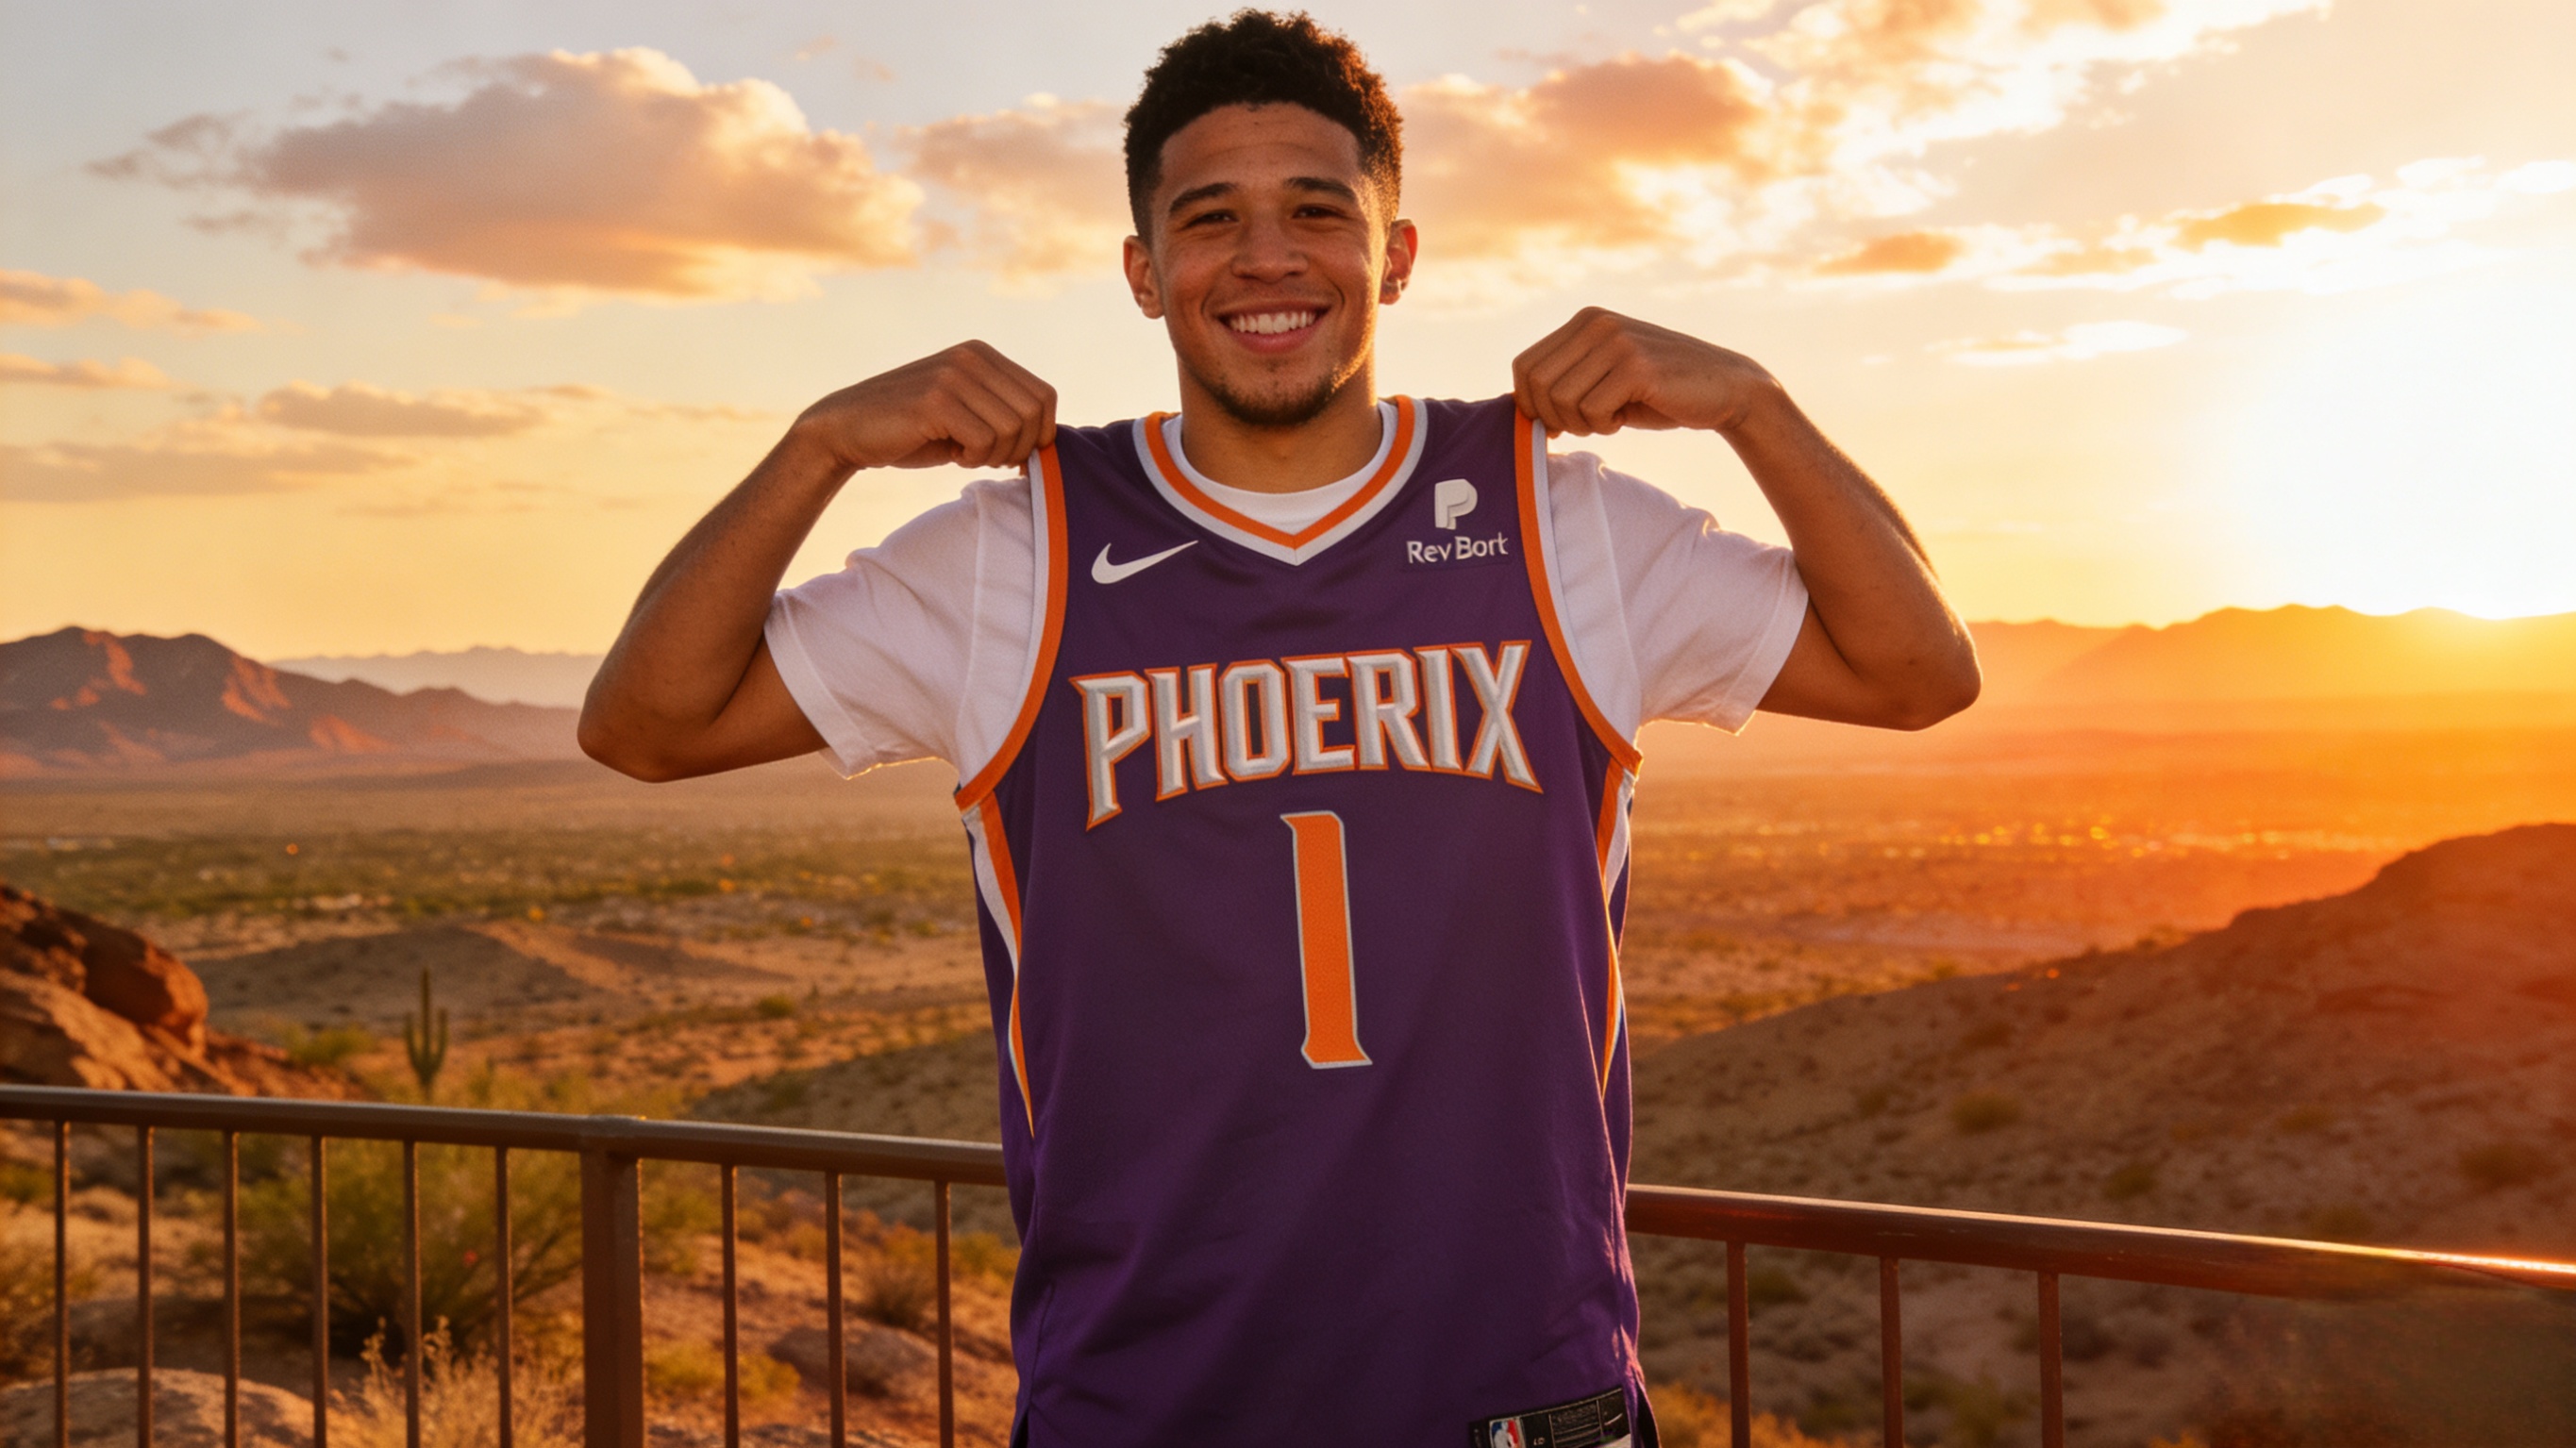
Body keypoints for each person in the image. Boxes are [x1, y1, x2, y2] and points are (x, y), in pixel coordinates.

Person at [581, 11, 1979, 1444]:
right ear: (1142, 271)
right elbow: (645, 725)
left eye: (1318, 210)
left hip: (1515, 1391)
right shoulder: (1019, 549)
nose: (1265, 257)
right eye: (1209, 220)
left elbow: (1916, 673)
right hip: (1149, 1396)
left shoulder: (1556, 518)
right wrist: (817, 445)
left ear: (1397, 252)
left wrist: (1752, 402)